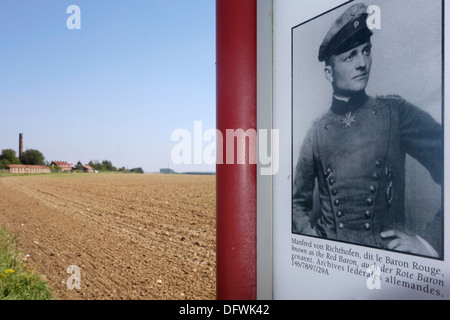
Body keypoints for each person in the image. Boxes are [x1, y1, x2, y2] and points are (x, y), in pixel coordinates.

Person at [292, 2, 443, 258]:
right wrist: (314, 243)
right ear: (329, 72)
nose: (362, 63)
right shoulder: (317, 132)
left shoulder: (395, 113)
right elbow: (297, 204)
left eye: (366, 51)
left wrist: (430, 242)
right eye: (350, 56)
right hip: (333, 264)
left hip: (383, 266)